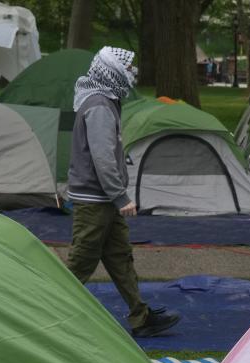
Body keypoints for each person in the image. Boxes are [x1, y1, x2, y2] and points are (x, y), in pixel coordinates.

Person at [66, 46, 181, 338]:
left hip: (102, 199)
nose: (133, 72)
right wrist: (120, 197)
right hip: (96, 201)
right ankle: (47, 317)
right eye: (128, 67)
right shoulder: (100, 107)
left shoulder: (104, 101)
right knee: (80, 263)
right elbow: (103, 158)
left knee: (119, 257)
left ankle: (140, 317)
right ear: (112, 71)